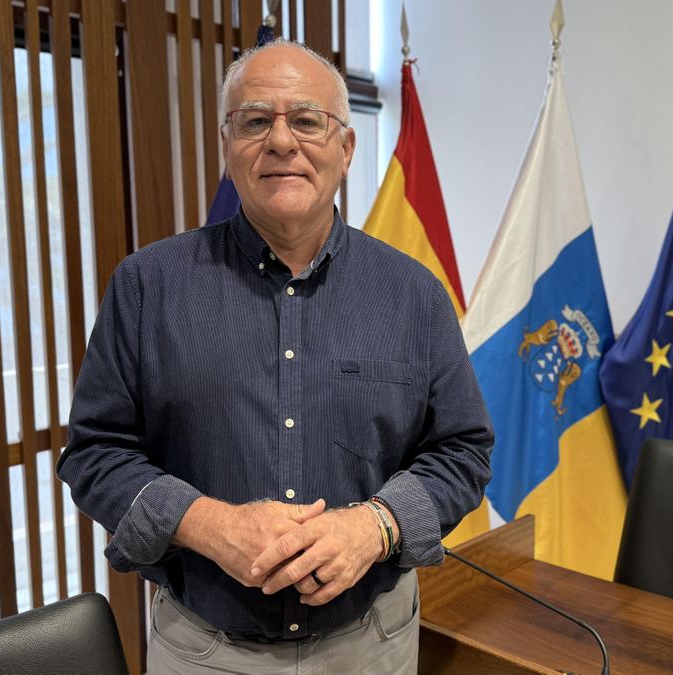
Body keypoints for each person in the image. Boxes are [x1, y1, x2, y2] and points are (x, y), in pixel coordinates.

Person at [57, 38, 493, 674]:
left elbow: (462, 452)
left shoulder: (415, 295)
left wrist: (375, 526)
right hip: (205, 650)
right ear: (227, 146)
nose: (282, 142)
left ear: (346, 148)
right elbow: (95, 453)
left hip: (373, 644)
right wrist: (208, 525)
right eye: (256, 120)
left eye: (307, 120)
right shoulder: (148, 286)